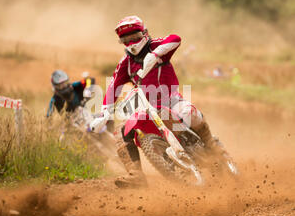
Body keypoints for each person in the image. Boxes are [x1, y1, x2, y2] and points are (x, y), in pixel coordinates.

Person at [90, 15, 228, 188]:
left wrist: (155, 55)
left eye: (135, 37)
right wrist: (103, 114)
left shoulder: (156, 46)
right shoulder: (125, 63)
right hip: (148, 107)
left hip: (171, 100)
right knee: (121, 132)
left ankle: (211, 145)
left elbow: (175, 39)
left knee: (189, 113)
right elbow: (113, 86)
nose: (132, 42)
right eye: (127, 39)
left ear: (144, 33)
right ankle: (136, 175)